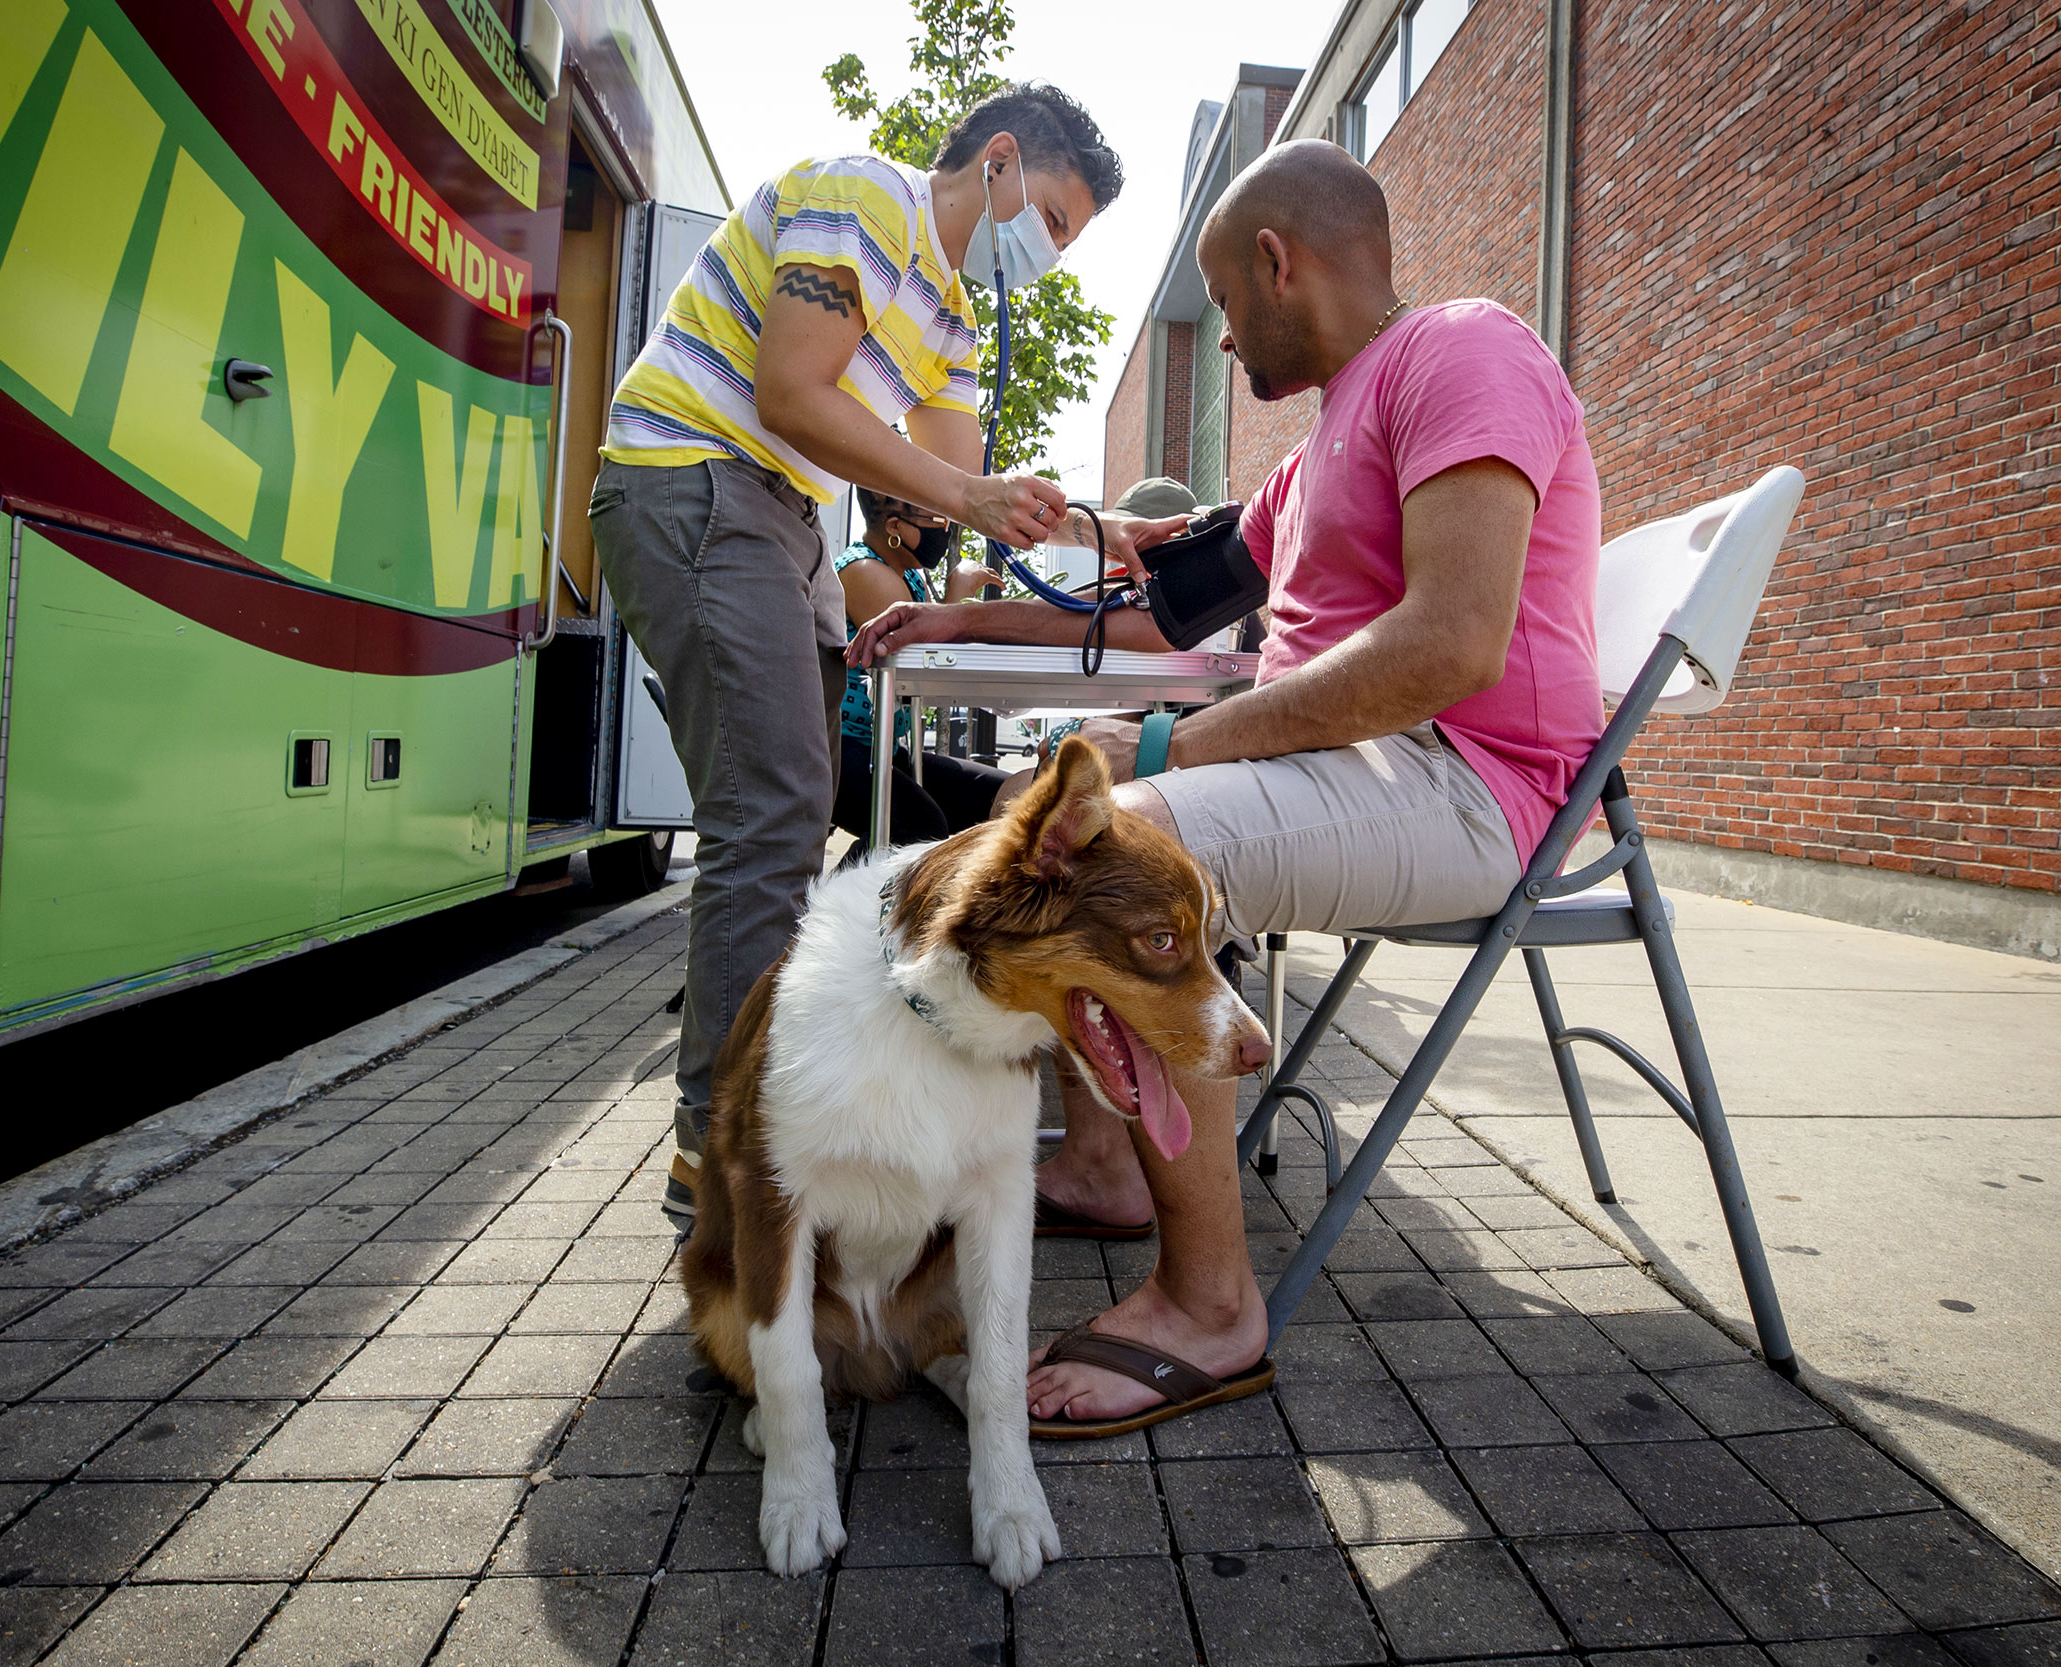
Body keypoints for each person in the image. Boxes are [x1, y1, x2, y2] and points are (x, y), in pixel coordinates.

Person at [847, 139, 1607, 1431]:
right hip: (1363, 770)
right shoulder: (1314, 459)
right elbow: (1162, 619)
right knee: (1025, 823)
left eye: (1228, 297)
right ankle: (1103, 1164)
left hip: (1470, 785)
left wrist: (1191, 747)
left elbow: (1453, 643)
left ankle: (1211, 1305)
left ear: (1274, 261)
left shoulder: (1463, 352)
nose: (1236, 345)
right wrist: (950, 621)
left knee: (1115, 849)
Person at [590, 84, 1149, 1229]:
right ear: (998, 161)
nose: (1044, 253)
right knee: (773, 816)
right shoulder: (862, 200)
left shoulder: (952, 317)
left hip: (778, 515)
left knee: (787, 816)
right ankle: (723, 1156)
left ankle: (775, 1120)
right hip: (694, 477)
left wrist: (1105, 534)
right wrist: (965, 493)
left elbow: (955, 488)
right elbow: (790, 390)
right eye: (1049, 218)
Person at [828, 489, 1010, 846]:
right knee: (918, 826)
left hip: (884, 748)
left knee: (1000, 797)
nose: (944, 531)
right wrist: (956, 594)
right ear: (895, 527)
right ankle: (835, 902)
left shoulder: (905, 573)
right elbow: (922, 661)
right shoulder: (864, 571)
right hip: (840, 747)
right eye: (937, 521)